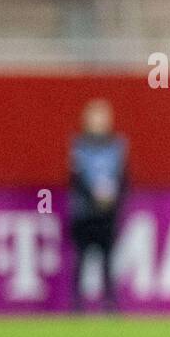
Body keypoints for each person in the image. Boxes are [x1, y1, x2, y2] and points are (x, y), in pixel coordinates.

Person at [68, 99, 127, 312]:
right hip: (85, 213)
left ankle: (110, 302)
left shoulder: (117, 146)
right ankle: (76, 303)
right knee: (82, 258)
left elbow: (123, 178)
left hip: (107, 213)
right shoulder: (79, 146)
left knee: (108, 259)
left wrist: (112, 201)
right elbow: (76, 178)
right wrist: (94, 197)